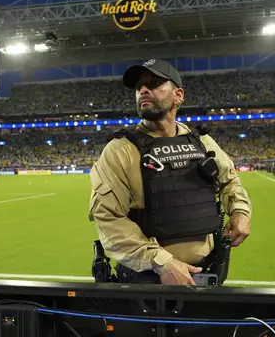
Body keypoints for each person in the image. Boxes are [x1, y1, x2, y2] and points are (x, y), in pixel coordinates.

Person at [88, 59, 252, 286]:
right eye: (139, 87)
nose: (143, 90)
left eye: (154, 83)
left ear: (178, 95)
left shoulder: (202, 141)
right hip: (147, 282)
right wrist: (162, 262)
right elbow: (109, 218)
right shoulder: (119, 150)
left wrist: (240, 211)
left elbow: (230, 181)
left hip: (208, 275)